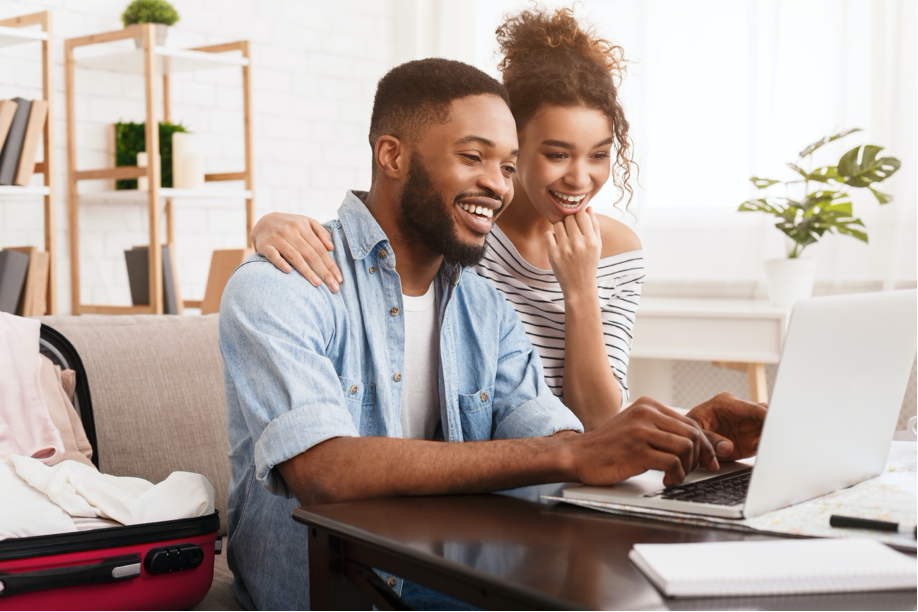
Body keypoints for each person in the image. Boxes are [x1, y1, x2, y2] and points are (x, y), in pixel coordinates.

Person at [220, 58, 764, 610]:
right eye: (473, 157)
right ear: (392, 155)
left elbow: (557, 441)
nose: (497, 186)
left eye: (507, 166)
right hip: (335, 590)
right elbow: (323, 470)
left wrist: (672, 438)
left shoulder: (484, 305)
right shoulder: (281, 286)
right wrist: (575, 454)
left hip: (457, 571)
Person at [251, 8, 643, 430]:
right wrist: (265, 226)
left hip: (545, 463)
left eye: (599, 155)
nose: (580, 178)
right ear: (519, 142)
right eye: (557, 154)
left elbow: (593, 424)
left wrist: (580, 288)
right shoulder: (461, 233)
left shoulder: (610, 255)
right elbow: (390, 213)